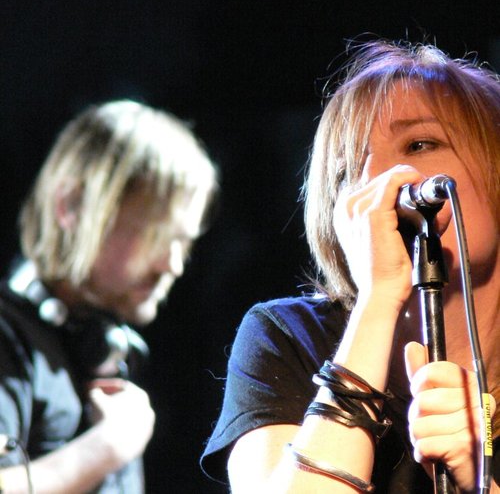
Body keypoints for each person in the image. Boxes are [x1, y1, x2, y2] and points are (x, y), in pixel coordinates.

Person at [201, 39, 499, 493]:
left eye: (420, 143)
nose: (374, 181)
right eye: (347, 172)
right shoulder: (289, 337)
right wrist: (378, 300)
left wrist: (479, 482)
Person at [0, 99, 218, 493]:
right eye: (155, 236)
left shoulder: (99, 351)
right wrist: (106, 448)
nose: (172, 265)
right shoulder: (7, 340)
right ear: (71, 206)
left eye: (183, 243)